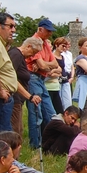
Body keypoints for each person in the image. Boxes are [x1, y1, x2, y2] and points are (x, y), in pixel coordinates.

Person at [25, 19, 60, 149]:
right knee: (36, 112)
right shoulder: (35, 42)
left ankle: (47, 142)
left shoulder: (45, 43)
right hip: (33, 78)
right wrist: (45, 65)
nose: (50, 33)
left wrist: (46, 65)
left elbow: (54, 64)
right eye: (48, 30)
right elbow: (43, 65)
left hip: (41, 79)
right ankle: (35, 144)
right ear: (40, 29)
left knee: (50, 113)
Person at [7, 37, 43, 139]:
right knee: (15, 130)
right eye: (34, 52)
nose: (33, 55)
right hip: (14, 98)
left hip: (18, 99)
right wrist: (30, 96)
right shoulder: (16, 55)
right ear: (28, 46)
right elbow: (11, 77)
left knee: (19, 129)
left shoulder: (20, 56)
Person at [54, 37, 74, 112]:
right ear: (56, 45)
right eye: (63, 46)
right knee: (59, 101)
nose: (64, 48)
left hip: (65, 79)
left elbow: (69, 66)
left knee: (68, 101)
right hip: (57, 80)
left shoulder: (62, 56)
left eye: (65, 46)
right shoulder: (52, 56)